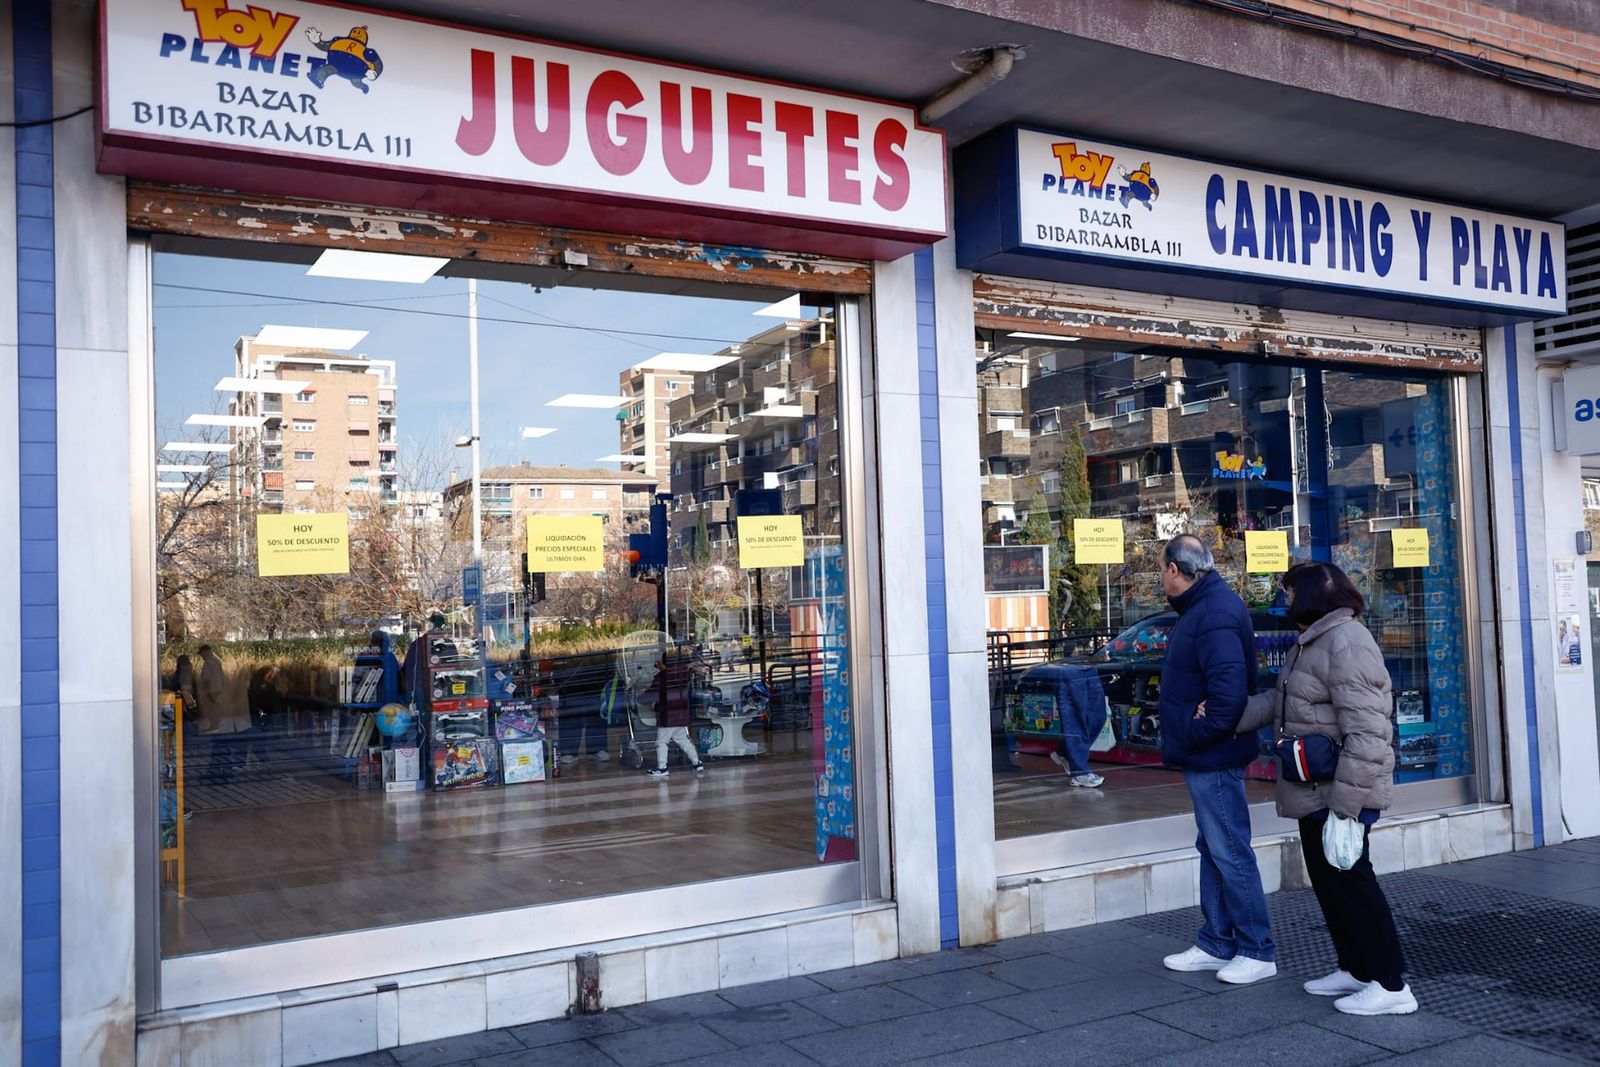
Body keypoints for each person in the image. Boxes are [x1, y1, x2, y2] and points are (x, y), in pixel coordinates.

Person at [1232, 561, 1416, 1015]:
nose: (1287, 599)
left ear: (1312, 595)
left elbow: (1369, 733)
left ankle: (1391, 985)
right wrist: (1226, 716)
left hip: (1341, 793)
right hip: (1316, 789)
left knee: (1354, 884)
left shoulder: (1347, 642)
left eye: (1291, 592)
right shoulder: (1314, 640)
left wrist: (1345, 805)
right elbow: (1284, 703)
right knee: (1331, 884)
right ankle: (1356, 968)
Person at [1155, 534, 1277, 985]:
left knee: (1228, 849)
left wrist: (1192, 734)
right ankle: (1217, 942)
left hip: (1213, 754)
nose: (1160, 577)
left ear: (1175, 570)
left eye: (1161, 569)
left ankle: (1256, 949)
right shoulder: (1204, 608)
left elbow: (1226, 699)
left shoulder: (1214, 613)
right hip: (1208, 752)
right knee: (1214, 846)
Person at [646, 644, 705, 778]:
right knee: (684, 740)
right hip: (681, 715)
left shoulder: (662, 678)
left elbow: (648, 696)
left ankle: (662, 767)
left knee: (662, 742)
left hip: (668, 716)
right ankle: (697, 763)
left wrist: (638, 698)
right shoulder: (682, 675)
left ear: (663, 664)